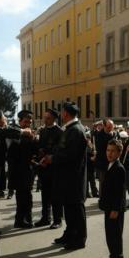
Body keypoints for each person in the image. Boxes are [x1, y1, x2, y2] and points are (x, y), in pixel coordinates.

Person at [41, 102, 88, 250]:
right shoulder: (70, 129)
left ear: (66, 114)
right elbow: (62, 150)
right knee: (69, 208)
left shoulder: (75, 130)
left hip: (74, 178)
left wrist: (52, 159)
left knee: (76, 209)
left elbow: (70, 155)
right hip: (67, 177)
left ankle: (79, 239)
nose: (61, 115)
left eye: (62, 112)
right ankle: (69, 233)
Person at [99, 139, 126, 258]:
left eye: (113, 151)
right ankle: (112, 256)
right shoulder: (110, 165)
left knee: (115, 235)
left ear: (119, 153)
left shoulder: (119, 168)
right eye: (108, 150)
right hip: (108, 206)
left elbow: (119, 192)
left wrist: (116, 209)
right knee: (109, 234)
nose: (109, 153)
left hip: (115, 209)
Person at [7, 110, 38, 228]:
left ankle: (27, 218)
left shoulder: (31, 134)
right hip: (18, 171)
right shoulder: (15, 133)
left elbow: (33, 151)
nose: (28, 124)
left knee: (28, 196)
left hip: (28, 170)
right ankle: (20, 220)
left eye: (30, 122)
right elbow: (13, 152)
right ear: (20, 122)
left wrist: (35, 140)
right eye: (26, 121)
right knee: (21, 197)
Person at [34, 109, 63, 229]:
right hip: (44, 167)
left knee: (56, 195)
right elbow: (40, 146)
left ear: (54, 119)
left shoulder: (60, 132)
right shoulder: (43, 130)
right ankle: (45, 217)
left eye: (48, 118)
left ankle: (58, 220)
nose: (45, 120)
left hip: (54, 168)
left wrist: (48, 158)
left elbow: (59, 149)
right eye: (44, 118)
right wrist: (40, 156)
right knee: (45, 194)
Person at [94, 118, 117, 194]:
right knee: (103, 182)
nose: (110, 129)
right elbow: (101, 148)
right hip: (103, 162)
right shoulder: (99, 135)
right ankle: (102, 200)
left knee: (112, 182)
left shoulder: (115, 134)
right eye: (108, 127)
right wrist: (110, 137)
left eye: (112, 127)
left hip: (113, 162)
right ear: (104, 126)